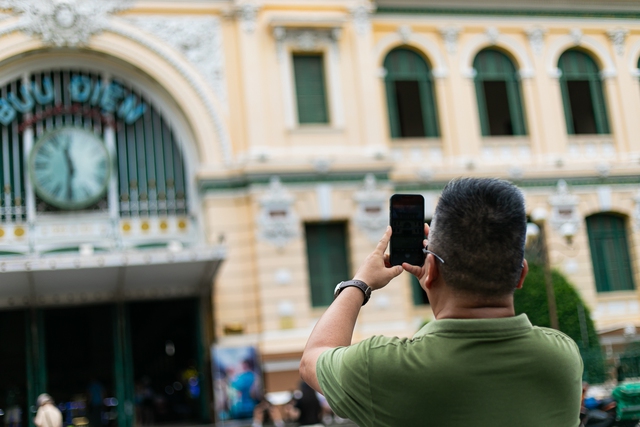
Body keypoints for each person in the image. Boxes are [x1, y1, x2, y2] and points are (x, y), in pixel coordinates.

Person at [299, 178, 583, 427]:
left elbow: (313, 357)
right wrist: (437, 281)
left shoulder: (385, 367)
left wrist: (359, 283)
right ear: (521, 274)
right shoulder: (563, 357)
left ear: (430, 269)